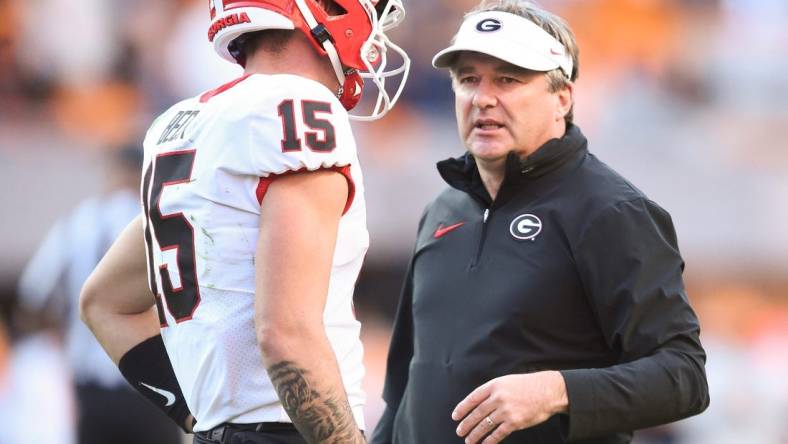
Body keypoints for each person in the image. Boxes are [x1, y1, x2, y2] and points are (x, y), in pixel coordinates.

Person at [371, 1, 709, 443]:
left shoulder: (610, 211)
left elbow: (683, 377)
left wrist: (557, 391)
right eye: (468, 79)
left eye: (508, 79)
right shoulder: (443, 209)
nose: (483, 97)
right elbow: (403, 389)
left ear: (562, 97)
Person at [79, 1, 410, 443]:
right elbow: (286, 334)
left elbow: (104, 303)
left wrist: (202, 419)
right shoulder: (299, 105)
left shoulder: (180, 123)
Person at [16, 146, 183, 444]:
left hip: (91, 390)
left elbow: (34, 293)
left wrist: (67, 335)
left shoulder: (77, 221)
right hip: (155, 383)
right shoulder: (158, 218)